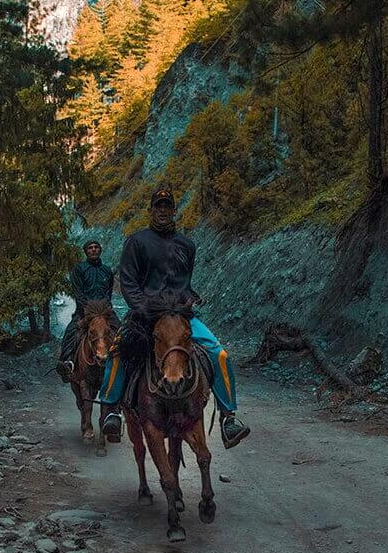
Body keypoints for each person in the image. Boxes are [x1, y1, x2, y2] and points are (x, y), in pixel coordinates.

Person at [98, 188, 250, 449]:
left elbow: (185, 281)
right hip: (145, 314)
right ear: (151, 210)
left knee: (219, 354)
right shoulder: (136, 242)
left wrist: (186, 302)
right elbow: (128, 281)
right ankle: (110, 410)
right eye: (158, 206)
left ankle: (228, 418)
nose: (163, 211)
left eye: (167, 206)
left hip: (181, 314)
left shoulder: (187, 245)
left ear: (174, 210)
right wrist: (142, 308)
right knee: (117, 351)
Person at [56, 239, 116, 382]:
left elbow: (109, 292)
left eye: (96, 247)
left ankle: (125, 365)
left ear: (100, 250)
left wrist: (105, 308)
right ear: (86, 251)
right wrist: (89, 309)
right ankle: (67, 362)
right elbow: (78, 293)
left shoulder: (107, 270)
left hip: (105, 312)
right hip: (84, 312)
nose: (93, 249)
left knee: (120, 331)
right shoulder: (79, 269)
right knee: (71, 332)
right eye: (90, 248)